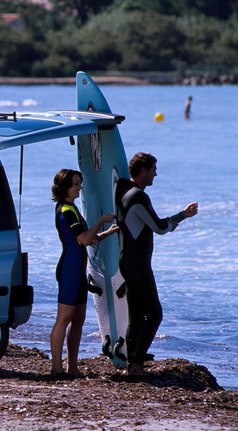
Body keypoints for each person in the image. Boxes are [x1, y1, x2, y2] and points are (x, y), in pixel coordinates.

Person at [115, 153, 198, 376]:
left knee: (136, 316)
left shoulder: (123, 191)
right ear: (143, 171)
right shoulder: (139, 197)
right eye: (153, 170)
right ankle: (136, 364)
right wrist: (182, 216)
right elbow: (160, 227)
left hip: (127, 262)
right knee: (154, 314)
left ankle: (131, 365)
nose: (156, 174)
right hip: (137, 265)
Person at [50, 169, 119, 376]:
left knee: (78, 318)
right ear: (65, 187)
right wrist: (101, 220)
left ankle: (72, 367)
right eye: (76, 183)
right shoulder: (66, 210)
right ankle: (56, 367)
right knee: (64, 318)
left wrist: (108, 232)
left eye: (80, 183)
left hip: (78, 269)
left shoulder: (73, 208)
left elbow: (90, 237)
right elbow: (85, 240)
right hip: (69, 269)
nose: (80, 187)